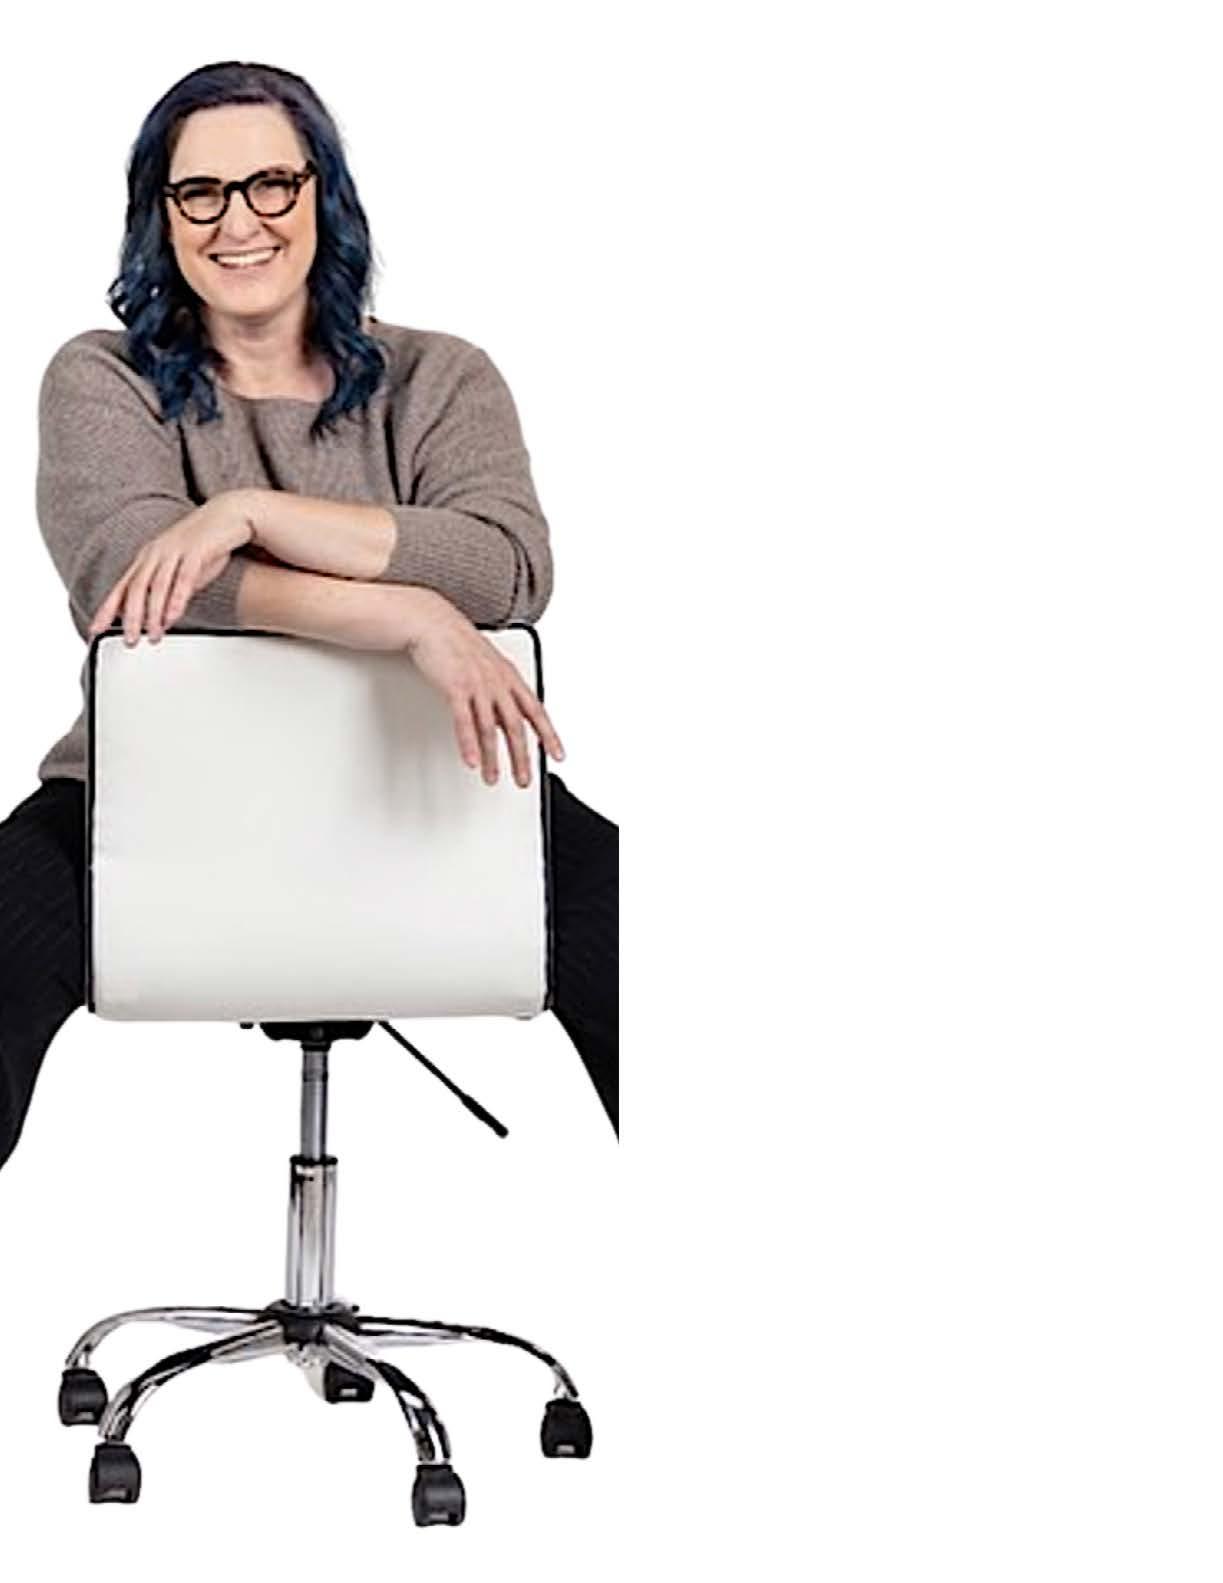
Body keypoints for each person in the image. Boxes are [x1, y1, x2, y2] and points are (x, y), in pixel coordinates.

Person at [0, 60, 618, 1175]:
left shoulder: (439, 378)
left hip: (442, 784)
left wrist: (247, 513)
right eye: (200, 193)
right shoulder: (101, 378)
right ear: (161, 216)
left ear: (322, 195)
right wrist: (409, 615)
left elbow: (507, 566)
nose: (237, 221)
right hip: (146, 788)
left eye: (271, 184)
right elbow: (132, 584)